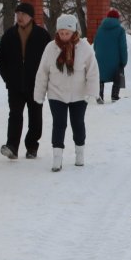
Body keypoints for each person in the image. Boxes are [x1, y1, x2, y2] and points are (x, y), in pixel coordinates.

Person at [33, 13, 98, 171]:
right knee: (59, 124)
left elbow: (92, 72)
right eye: (61, 33)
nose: (64, 36)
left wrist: (92, 92)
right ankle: (57, 158)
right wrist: (39, 94)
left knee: (78, 124)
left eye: (67, 33)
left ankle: (79, 153)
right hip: (56, 94)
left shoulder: (84, 48)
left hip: (78, 95)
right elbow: (42, 73)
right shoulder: (50, 48)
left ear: (74, 32)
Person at [0, 1, 51, 159]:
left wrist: (46, 80)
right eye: (18, 14)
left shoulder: (42, 35)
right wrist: (7, 77)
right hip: (14, 84)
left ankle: (32, 146)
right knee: (15, 115)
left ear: (31, 17)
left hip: (36, 84)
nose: (20, 17)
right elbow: (1, 57)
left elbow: (49, 60)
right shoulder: (9, 34)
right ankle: (12, 146)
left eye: (23, 14)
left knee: (35, 116)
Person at [94, 7, 129, 103]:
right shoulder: (120, 30)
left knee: (100, 77)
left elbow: (95, 45)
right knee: (117, 75)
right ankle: (114, 96)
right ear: (117, 19)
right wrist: (124, 61)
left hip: (100, 59)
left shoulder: (100, 29)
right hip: (115, 60)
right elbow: (123, 47)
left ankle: (100, 95)